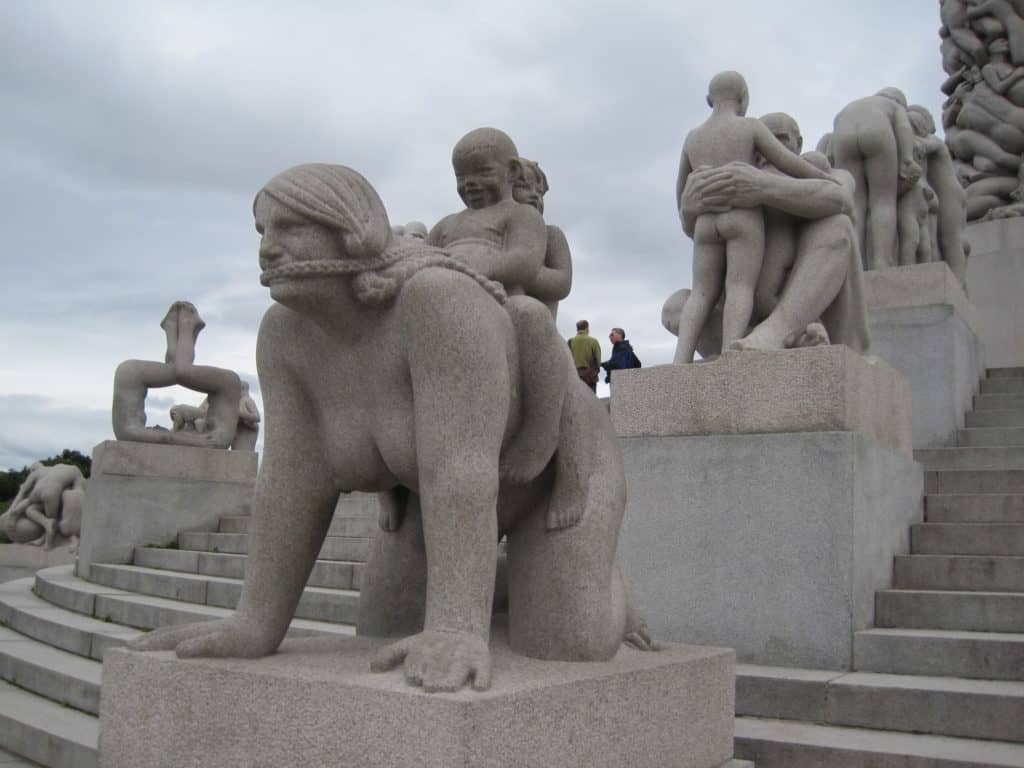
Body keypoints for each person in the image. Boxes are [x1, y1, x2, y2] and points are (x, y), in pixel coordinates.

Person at [674, 71, 836, 364]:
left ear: (709, 99)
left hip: (705, 222)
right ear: (744, 98)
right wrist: (823, 178)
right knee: (739, 286)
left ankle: (679, 359)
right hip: (741, 215)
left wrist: (690, 208)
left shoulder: (692, 138)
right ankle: (729, 354)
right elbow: (788, 162)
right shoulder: (749, 128)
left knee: (700, 292)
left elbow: (682, 193)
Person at [676, 112, 870, 356]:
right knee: (676, 307)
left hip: (806, 310)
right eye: (762, 143)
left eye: (780, 139)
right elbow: (703, 240)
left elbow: (841, 199)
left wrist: (762, 187)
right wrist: (690, 208)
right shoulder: (735, 181)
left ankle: (780, 331)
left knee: (837, 226)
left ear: (797, 144)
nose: (769, 151)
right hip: (746, 317)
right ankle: (736, 348)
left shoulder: (824, 172)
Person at [831, 88, 922, 270]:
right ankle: (881, 260)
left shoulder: (849, 108)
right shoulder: (894, 106)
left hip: (843, 137)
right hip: (877, 132)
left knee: (855, 204)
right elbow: (904, 128)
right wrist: (907, 159)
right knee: (883, 201)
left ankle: (853, 264)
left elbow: (832, 145)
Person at [513, 158, 572, 319]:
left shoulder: (551, 236)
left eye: (539, 192)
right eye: (523, 187)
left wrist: (513, 271)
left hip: (537, 326)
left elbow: (562, 283)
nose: (534, 195)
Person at [568, 319, 601, 392]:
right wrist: (596, 371)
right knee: (591, 400)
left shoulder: (570, 341)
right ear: (587, 328)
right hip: (590, 377)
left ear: (577, 329)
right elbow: (598, 360)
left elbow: (568, 358)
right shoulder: (593, 341)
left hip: (575, 376)